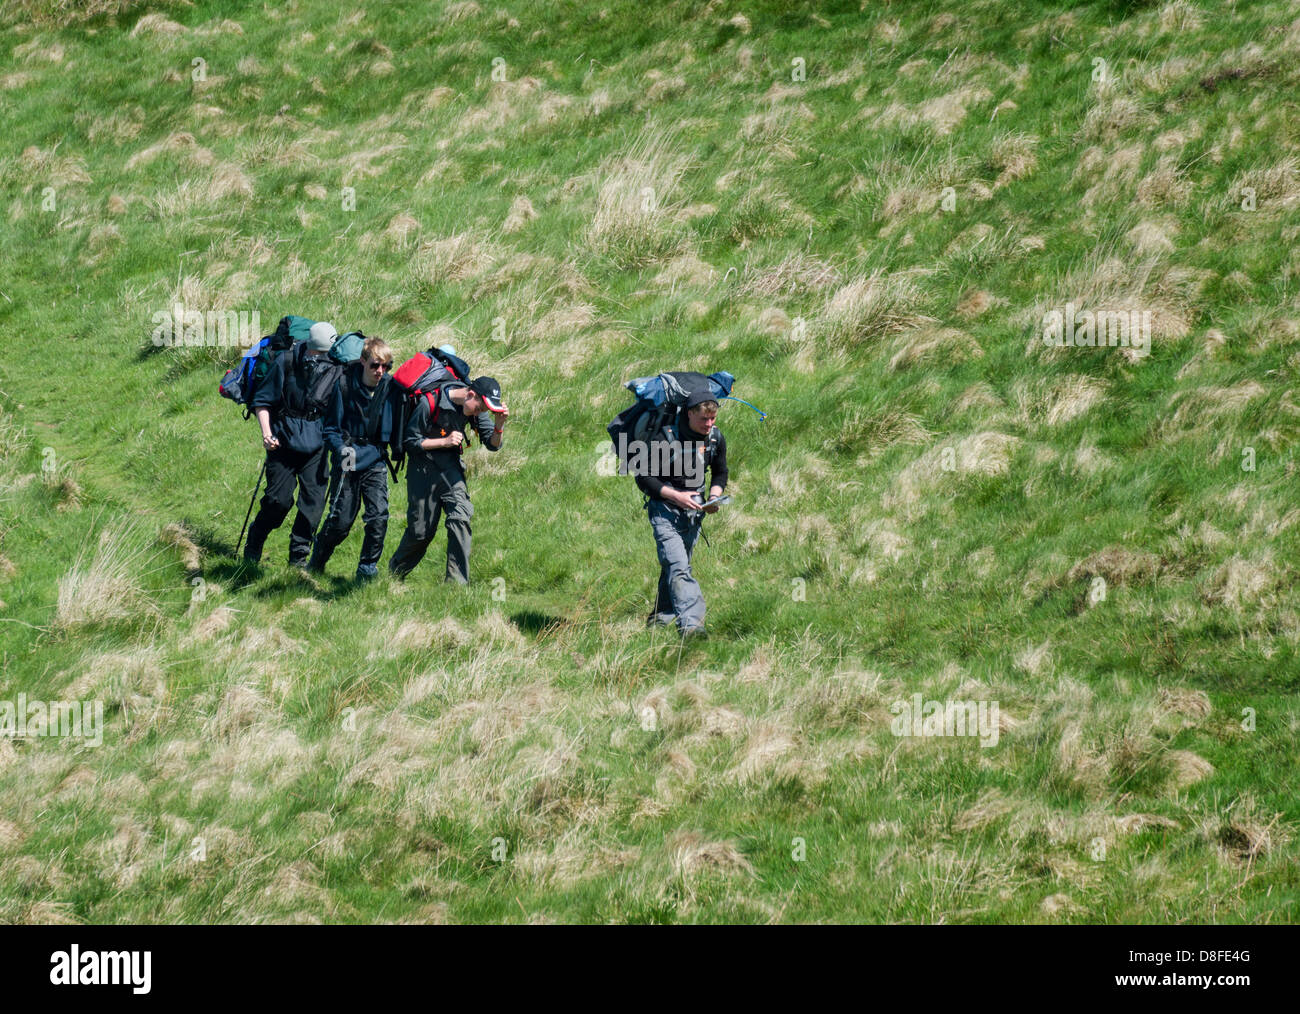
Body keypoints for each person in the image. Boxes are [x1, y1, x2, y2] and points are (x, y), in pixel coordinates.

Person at [388, 376, 509, 584]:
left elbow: (493, 445)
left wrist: (499, 425)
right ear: (471, 394)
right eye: (480, 407)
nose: (482, 413)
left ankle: (455, 585)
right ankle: (393, 575)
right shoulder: (430, 402)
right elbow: (410, 441)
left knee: (460, 517)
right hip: (422, 469)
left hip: (451, 468)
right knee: (421, 533)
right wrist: (443, 441)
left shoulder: (475, 408)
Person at [243, 321, 341, 567]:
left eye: (325, 355)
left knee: (314, 505)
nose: (320, 360)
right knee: (278, 502)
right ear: (309, 347)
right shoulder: (285, 362)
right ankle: (257, 536)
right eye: (317, 354)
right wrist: (267, 434)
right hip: (282, 445)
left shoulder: (336, 369)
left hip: (316, 448)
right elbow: (262, 401)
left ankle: (298, 558)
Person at [635, 390, 728, 638]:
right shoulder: (664, 438)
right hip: (664, 512)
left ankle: (659, 619)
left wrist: (715, 496)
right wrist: (677, 496)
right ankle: (692, 627)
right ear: (689, 414)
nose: (709, 424)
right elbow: (643, 477)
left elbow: (720, 471)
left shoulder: (715, 438)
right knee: (678, 567)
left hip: (695, 516)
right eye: (703, 419)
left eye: (713, 419)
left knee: (676, 567)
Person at [308, 336, 395, 581]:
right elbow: (331, 429)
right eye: (375, 365)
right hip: (347, 456)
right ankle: (317, 560)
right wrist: (341, 450)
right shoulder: (344, 385)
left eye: (386, 366)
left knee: (378, 517)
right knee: (341, 521)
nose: (380, 371)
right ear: (362, 361)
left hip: (376, 457)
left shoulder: (390, 388)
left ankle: (367, 571)